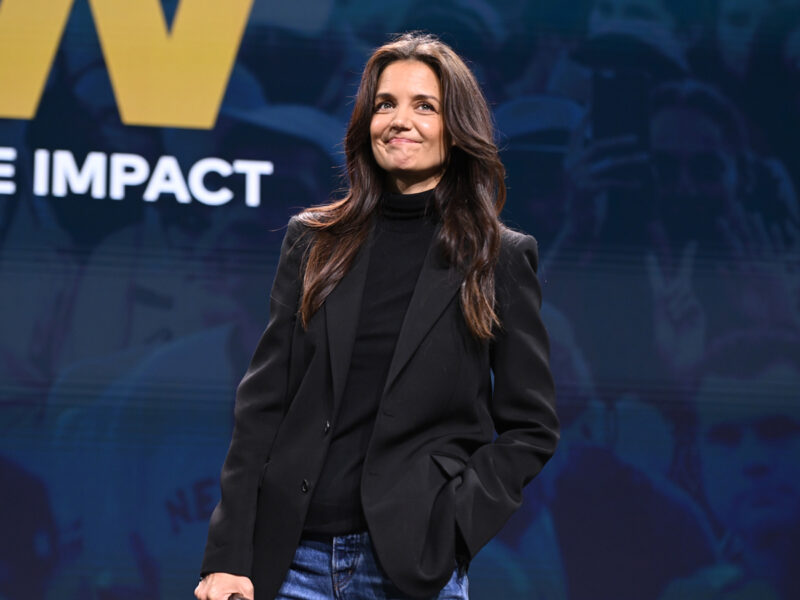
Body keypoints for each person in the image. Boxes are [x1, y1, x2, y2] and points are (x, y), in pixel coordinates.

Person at [194, 32, 559, 600]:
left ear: (456, 127)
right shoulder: (314, 241)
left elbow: (531, 427)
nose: (399, 120)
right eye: (385, 104)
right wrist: (227, 555)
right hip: (290, 563)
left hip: (410, 568)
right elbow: (261, 408)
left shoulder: (498, 257)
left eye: (424, 106)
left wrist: (453, 527)